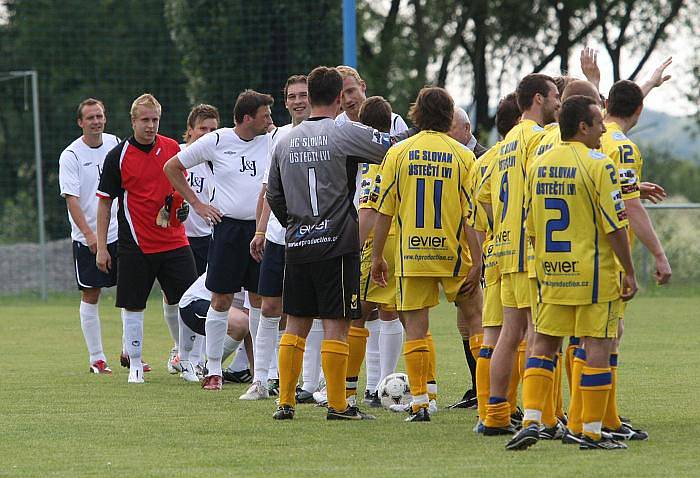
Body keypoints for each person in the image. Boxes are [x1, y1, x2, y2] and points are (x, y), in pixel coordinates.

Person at [266, 66, 399, 420]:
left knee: (295, 323)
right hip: (338, 244)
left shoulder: (284, 141)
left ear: (308, 97)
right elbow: (394, 149)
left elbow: (274, 196)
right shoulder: (344, 134)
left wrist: (297, 225)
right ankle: (339, 404)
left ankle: (286, 402)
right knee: (337, 324)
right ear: (340, 98)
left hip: (297, 245)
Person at [506, 95, 637, 450]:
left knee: (544, 343)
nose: (601, 131)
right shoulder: (599, 164)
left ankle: (532, 419)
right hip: (592, 274)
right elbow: (614, 225)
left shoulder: (539, 163)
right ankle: (590, 430)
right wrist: (629, 269)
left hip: (551, 273)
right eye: (597, 124)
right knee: (597, 344)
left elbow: (531, 226)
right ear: (583, 126)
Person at [371, 86, 482, 422]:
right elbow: (472, 215)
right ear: (449, 117)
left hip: (411, 254)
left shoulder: (399, 153)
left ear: (416, 114)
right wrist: (478, 261)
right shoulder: (463, 155)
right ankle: (490, 399)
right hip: (453, 254)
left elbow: (383, 210)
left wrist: (377, 255)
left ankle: (420, 402)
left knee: (416, 329)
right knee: (477, 322)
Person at [164, 89, 272, 391]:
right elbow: (172, 167)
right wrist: (197, 204)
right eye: (265, 115)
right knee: (221, 299)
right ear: (248, 117)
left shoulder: (272, 139)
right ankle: (212, 369)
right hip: (227, 231)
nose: (270, 120)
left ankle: (262, 373)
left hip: (261, 230)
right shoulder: (218, 140)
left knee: (260, 302)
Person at [477, 73, 560, 434]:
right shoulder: (537, 138)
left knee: (510, 335)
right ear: (538, 99)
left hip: (505, 248)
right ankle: (542, 417)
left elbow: (486, 199)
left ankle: (495, 415)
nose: (558, 102)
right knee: (542, 333)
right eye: (555, 95)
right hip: (529, 249)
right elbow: (546, 184)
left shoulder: (507, 142)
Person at [96, 93, 197, 384]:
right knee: (133, 304)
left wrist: (181, 208)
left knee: (189, 301)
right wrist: (102, 247)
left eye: (155, 120)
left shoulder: (172, 149)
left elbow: (182, 190)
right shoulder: (118, 155)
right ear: (133, 121)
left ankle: (187, 360)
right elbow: (104, 203)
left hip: (175, 241)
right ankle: (136, 364)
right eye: (145, 120)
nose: (150, 126)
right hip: (136, 244)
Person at [596, 79, 671, 441]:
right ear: (638, 111)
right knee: (605, 336)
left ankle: (567, 414)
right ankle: (602, 419)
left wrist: (650, 84)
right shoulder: (622, 147)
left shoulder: (591, 134)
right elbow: (628, 204)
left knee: (584, 336)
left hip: (571, 249)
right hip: (607, 254)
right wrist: (659, 254)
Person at [334, 64, 409, 407]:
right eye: (341, 94)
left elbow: (374, 195)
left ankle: (363, 388)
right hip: (377, 226)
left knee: (365, 310)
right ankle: (376, 386)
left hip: (375, 228)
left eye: (351, 91)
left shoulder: (392, 129)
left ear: (362, 88)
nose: (347, 99)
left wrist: (354, 240)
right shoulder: (340, 129)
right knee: (381, 309)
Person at [240, 74, 311, 400]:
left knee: (312, 309)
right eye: (293, 96)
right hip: (279, 236)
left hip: (314, 236)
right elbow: (268, 189)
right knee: (269, 306)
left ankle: (309, 382)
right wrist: (259, 229)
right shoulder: (277, 136)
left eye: (304, 95)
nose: (298, 101)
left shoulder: (328, 132)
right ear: (286, 102)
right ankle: (261, 380)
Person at [59, 98, 120, 375]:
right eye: (90, 117)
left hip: (121, 233)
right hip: (89, 239)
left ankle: (133, 353)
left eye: (100, 116)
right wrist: (91, 236)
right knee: (91, 293)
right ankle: (97, 358)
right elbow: (72, 199)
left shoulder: (115, 144)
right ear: (80, 122)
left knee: (132, 290)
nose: (96, 121)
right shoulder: (70, 155)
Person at [471, 93, 522, 429]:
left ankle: (487, 413)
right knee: (530, 336)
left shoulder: (482, 162)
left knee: (492, 335)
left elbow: (477, 218)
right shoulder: (530, 148)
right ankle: (537, 412)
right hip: (522, 253)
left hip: (493, 253)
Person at [447, 105, 487, 410]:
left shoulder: (480, 158)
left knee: (480, 319)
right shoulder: (453, 157)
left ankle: (485, 390)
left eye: (450, 129)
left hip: (480, 249)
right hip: (460, 250)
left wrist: (480, 255)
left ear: (466, 129)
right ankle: (476, 388)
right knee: (466, 321)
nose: (446, 135)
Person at [178, 272, 249, 382]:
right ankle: (211, 369)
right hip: (194, 304)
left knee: (250, 320)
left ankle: (238, 369)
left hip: (221, 307)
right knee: (241, 323)